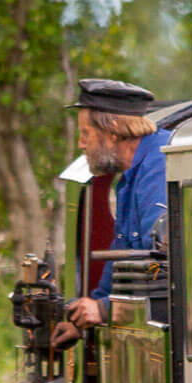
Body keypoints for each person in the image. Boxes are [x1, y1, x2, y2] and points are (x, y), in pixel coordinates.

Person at [53, 78, 170, 347]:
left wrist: (104, 309)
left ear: (113, 131)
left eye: (86, 133)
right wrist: (87, 312)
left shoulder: (159, 166)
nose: (81, 144)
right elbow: (122, 254)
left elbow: (160, 267)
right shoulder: (130, 178)